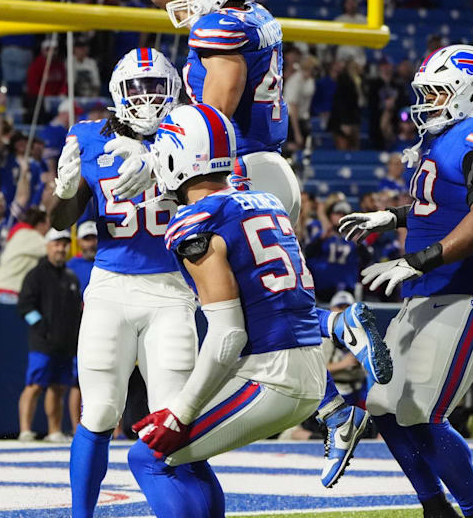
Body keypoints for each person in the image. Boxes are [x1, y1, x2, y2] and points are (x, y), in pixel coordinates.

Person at [336, 44, 473, 518]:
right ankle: (434, 507)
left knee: (421, 411)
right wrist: (390, 217)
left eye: (440, 91)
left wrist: (417, 260)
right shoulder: (445, 138)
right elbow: (439, 206)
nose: (429, 102)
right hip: (430, 292)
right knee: (381, 404)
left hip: (472, 295)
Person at [124, 104, 330, 517]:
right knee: (186, 454)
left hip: (271, 375)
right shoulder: (266, 201)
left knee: (147, 457)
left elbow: (228, 333)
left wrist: (180, 413)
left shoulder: (197, 223)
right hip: (310, 366)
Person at [48, 48, 200, 517]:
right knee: (96, 412)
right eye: (137, 87)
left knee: (174, 417)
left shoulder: (192, 132)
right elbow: (59, 222)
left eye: (156, 87)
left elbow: (216, 200)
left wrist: (163, 171)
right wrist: (65, 191)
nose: (147, 98)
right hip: (111, 286)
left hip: (172, 289)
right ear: (118, 92)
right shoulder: (88, 137)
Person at [92, 0, 302, 222]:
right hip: (266, 167)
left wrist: (154, 158)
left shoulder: (220, 30)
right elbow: (180, 1)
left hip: (240, 175)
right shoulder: (252, 14)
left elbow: (212, 122)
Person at [15, 227, 83, 443]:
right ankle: (25, 429)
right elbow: (25, 306)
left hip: (66, 344)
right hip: (42, 343)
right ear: (47, 246)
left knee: (59, 388)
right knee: (35, 385)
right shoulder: (35, 275)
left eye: (63, 244)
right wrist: (42, 327)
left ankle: (54, 430)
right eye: (56, 244)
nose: (60, 249)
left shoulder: (71, 277)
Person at [0, 207, 50, 296]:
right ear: (40, 225)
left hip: (3, 287)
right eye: (48, 225)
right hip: (9, 290)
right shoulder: (30, 236)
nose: (48, 229)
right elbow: (53, 250)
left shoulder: (20, 234)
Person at [67, 220, 98, 294]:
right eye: (87, 239)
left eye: (94, 238)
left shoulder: (107, 264)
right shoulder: (70, 267)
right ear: (79, 241)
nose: (91, 244)